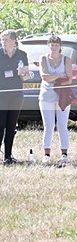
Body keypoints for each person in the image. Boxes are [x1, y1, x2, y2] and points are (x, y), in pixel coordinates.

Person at [38, 35, 73, 163]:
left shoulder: (66, 60)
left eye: (56, 45)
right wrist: (59, 75)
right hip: (46, 96)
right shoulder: (43, 58)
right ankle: (46, 154)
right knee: (48, 126)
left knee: (62, 125)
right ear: (48, 46)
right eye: (51, 45)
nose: (53, 47)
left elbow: (69, 79)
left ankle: (64, 154)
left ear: (60, 46)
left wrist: (55, 78)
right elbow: (45, 77)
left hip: (62, 96)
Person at [1, 29, 29, 165]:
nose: (3, 42)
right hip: (1, 94)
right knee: (1, 125)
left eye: (6, 39)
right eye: (2, 39)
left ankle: (8, 156)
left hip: (16, 94)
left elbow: (26, 75)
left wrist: (25, 74)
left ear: (14, 41)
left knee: (11, 126)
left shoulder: (22, 55)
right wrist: (14, 72)